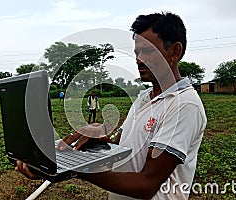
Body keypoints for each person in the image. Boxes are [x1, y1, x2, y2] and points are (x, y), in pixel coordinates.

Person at [16, 11, 207, 199]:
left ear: (174, 51)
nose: (139, 59)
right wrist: (99, 139)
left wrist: (75, 169)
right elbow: (119, 147)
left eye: (148, 51)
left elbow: (147, 185)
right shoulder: (145, 98)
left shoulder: (184, 105)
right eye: (137, 52)